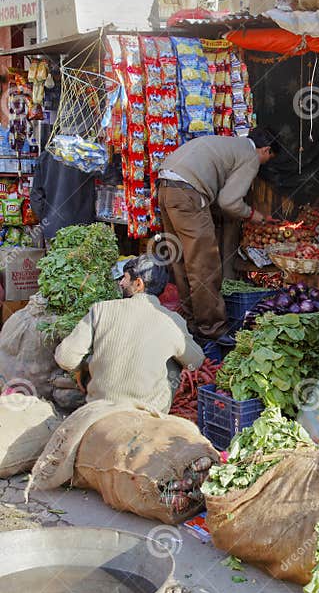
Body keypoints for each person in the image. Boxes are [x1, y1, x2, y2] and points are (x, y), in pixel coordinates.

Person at [157, 127, 281, 344]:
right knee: (205, 264)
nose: (264, 163)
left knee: (182, 260)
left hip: (166, 187)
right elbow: (229, 202)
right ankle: (212, 329)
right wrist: (254, 215)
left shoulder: (230, 144)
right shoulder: (250, 155)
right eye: (269, 158)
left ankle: (191, 322)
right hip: (188, 192)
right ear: (266, 150)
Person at [54, 255, 204, 414]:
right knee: (177, 358)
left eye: (125, 279)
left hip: (101, 407)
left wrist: (82, 369)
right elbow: (196, 361)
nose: (120, 283)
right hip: (148, 411)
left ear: (138, 283)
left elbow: (65, 357)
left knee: (94, 354)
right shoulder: (172, 320)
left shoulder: (101, 310)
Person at [29, 149, 97, 245]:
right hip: (82, 228)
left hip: (53, 227)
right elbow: (108, 179)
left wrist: (46, 218)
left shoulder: (46, 156)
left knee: (55, 259)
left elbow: (36, 197)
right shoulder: (87, 155)